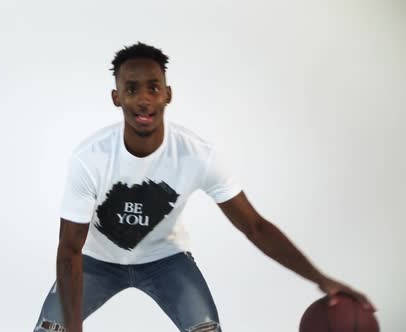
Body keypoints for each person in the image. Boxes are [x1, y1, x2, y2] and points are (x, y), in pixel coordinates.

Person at [32, 42, 375, 332]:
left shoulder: (197, 155)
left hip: (164, 260)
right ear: (116, 97)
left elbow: (254, 226)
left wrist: (320, 278)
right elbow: (70, 251)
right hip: (96, 261)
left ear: (168, 94)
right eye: (131, 89)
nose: (144, 99)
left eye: (153, 87)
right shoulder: (89, 158)